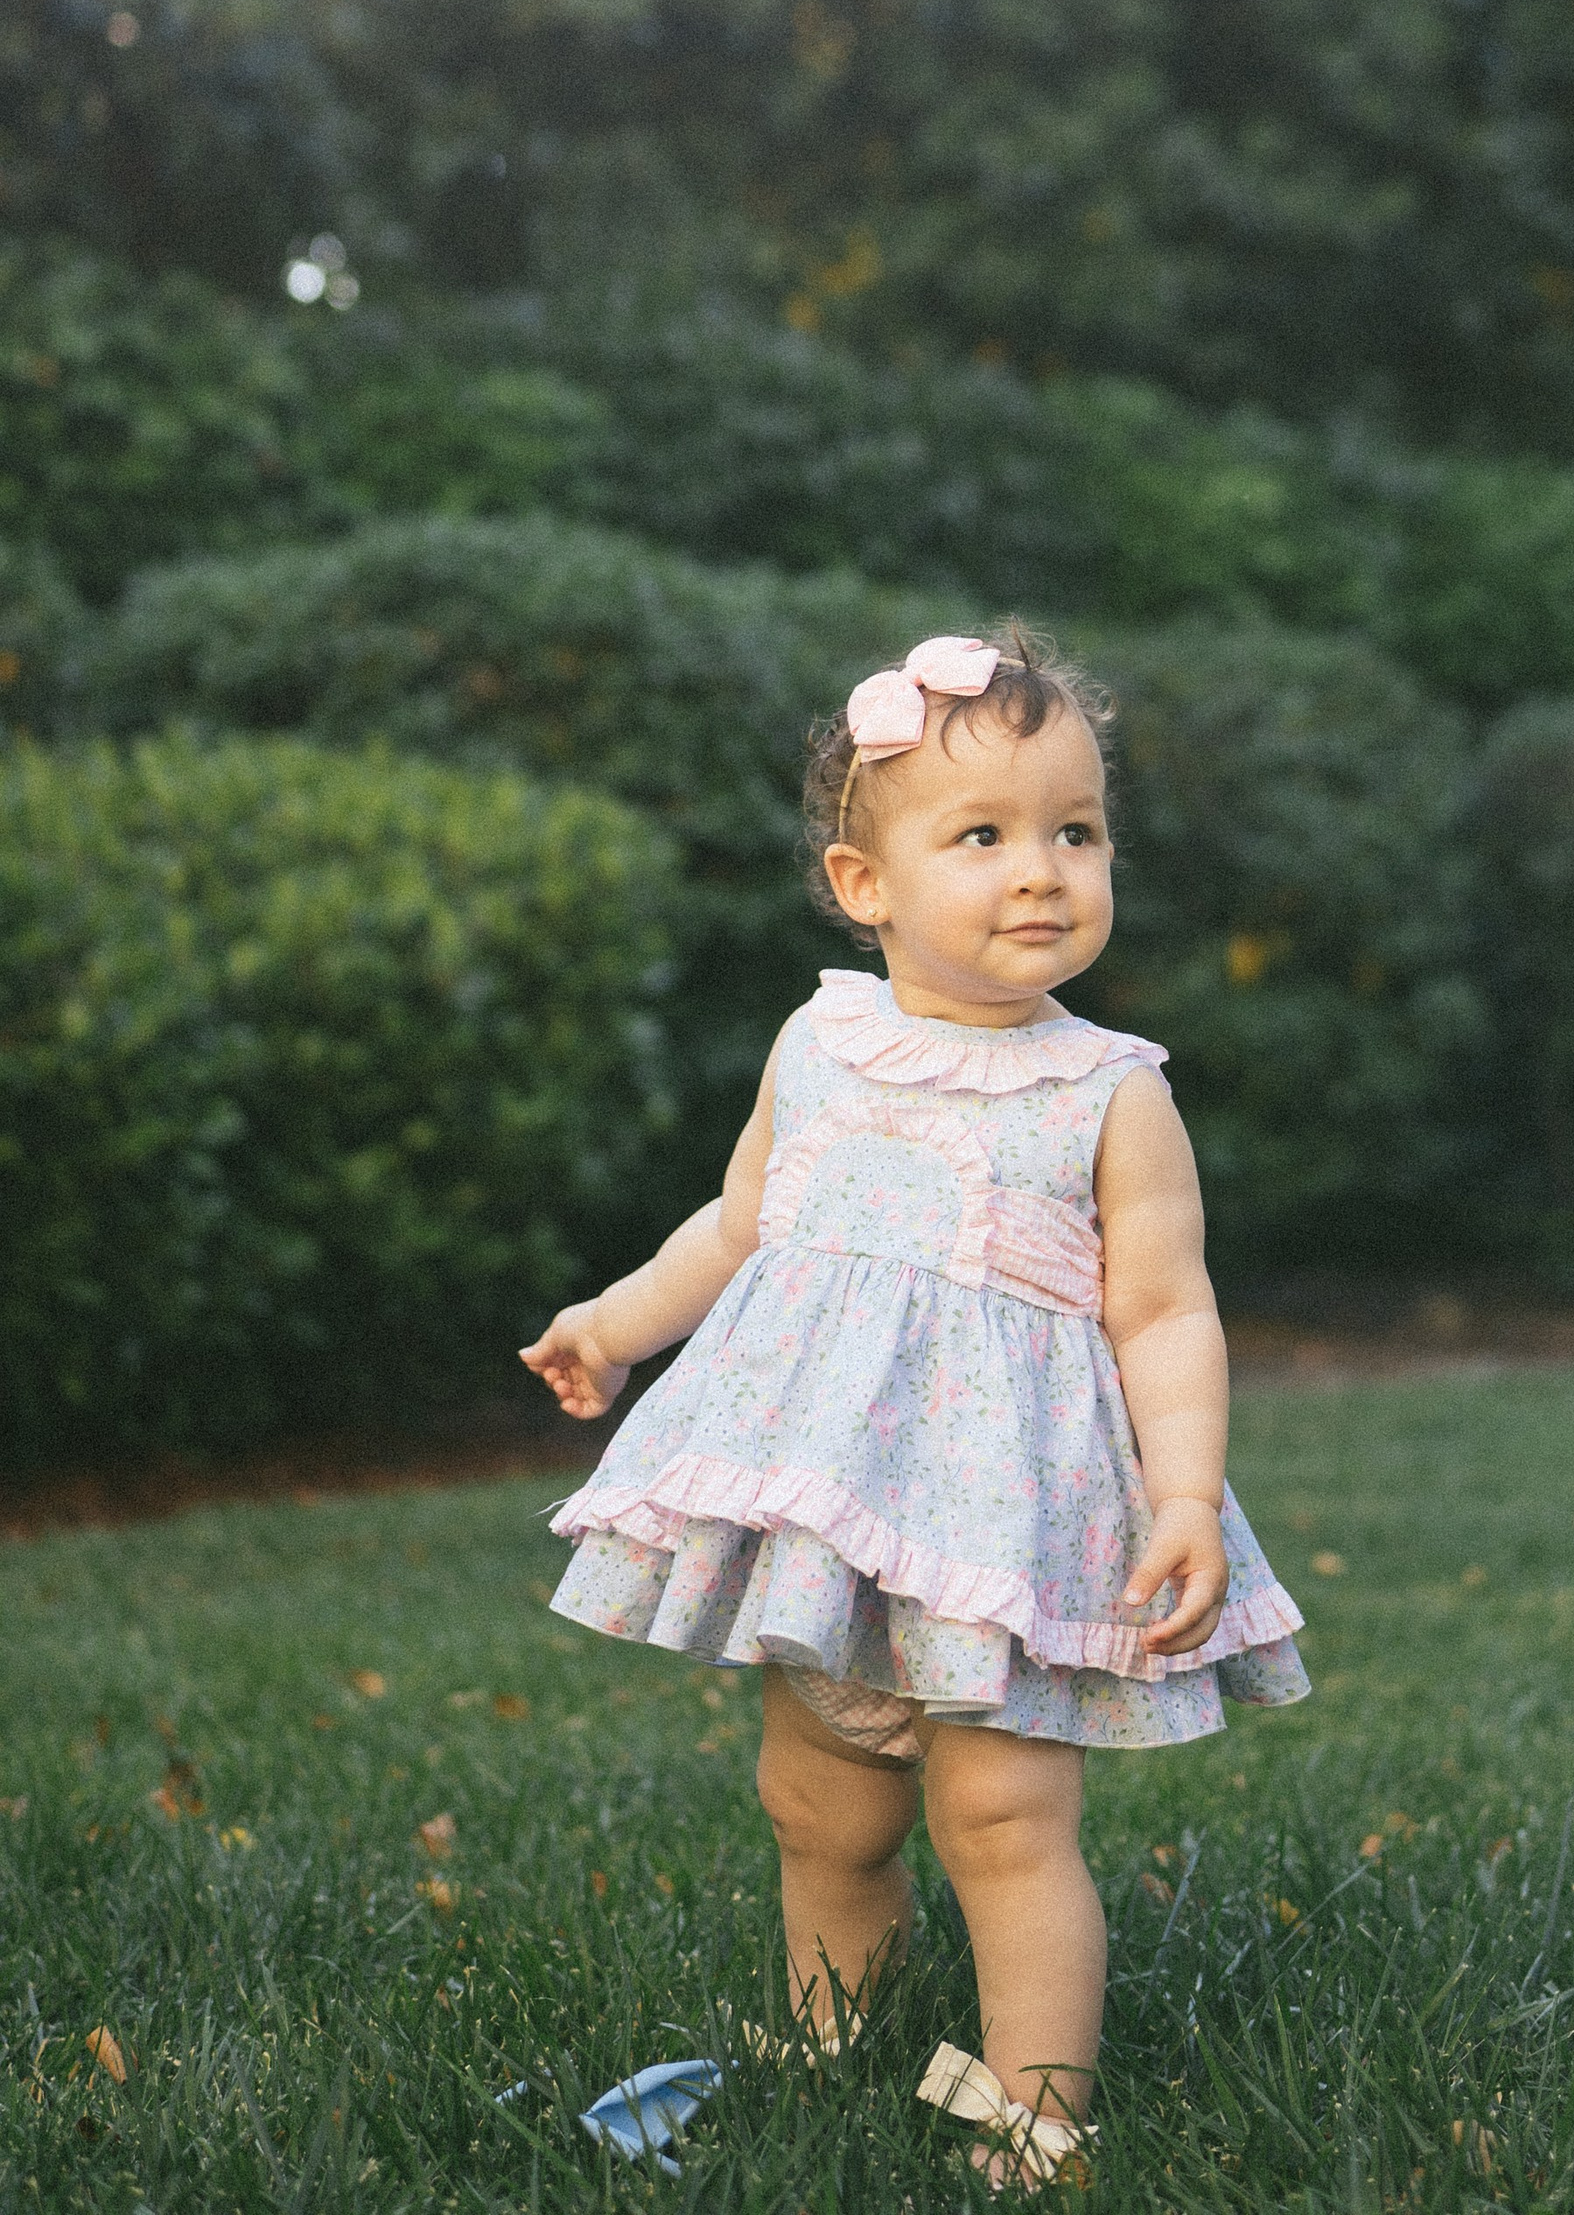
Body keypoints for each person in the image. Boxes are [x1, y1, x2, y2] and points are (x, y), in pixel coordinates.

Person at [519, 625, 1307, 2185]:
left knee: (1004, 1822)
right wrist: (613, 1327)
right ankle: (833, 2035)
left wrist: (1181, 1497)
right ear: (865, 884)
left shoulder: (1109, 1092)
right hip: (836, 1523)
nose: (1042, 871)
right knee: (822, 1806)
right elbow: (739, 1225)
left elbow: (1164, 1309)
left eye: (1075, 832)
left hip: (1014, 1528)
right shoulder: (820, 1044)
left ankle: (1038, 2107)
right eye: (985, 835)